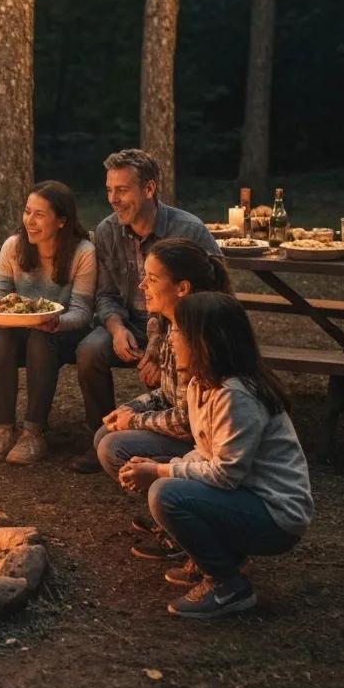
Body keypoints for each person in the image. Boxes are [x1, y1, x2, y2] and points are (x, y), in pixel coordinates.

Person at [118, 292, 314, 619]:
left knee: (165, 494)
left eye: (179, 333)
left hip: (277, 516)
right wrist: (163, 466)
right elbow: (206, 453)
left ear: (205, 342)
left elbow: (225, 474)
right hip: (248, 496)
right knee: (165, 479)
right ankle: (225, 560)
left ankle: (228, 586)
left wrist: (160, 472)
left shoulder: (236, 395)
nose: (171, 340)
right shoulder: (201, 384)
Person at [70, 148, 221, 473]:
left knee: (173, 381)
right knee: (90, 350)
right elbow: (106, 294)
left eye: (122, 190)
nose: (113, 199)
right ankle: (101, 430)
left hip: (179, 326)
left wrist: (158, 344)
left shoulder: (188, 229)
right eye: (109, 190)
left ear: (149, 188)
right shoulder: (108, 231)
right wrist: (116, 329)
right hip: (130, 323)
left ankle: (183, 448)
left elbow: (212, 298)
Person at [95, 238, 234, 559]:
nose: (142, 285)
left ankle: (186, 524)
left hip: (205, 444)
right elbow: (170, 392)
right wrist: (131, 408)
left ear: (182, 288)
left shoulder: (196, 336)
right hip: (194, 437)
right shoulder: (173, 325)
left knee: (114, 447)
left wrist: (135, 422)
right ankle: (175, 517)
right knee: (105, 434)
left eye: (152, 279)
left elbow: (187, 419)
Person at [0, 181, 96, 465]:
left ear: (61, 221)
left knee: (41, 339)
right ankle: (3, 430)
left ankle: (33, 432)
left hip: (66, 332)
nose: (29, 221)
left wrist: (55, 322)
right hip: (23, 330)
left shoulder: (82, 252)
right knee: (1, 339)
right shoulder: (13, 247)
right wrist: (0, 313)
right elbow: (0, 299)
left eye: (39, 215)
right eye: (27, 211)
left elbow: (82, 312)